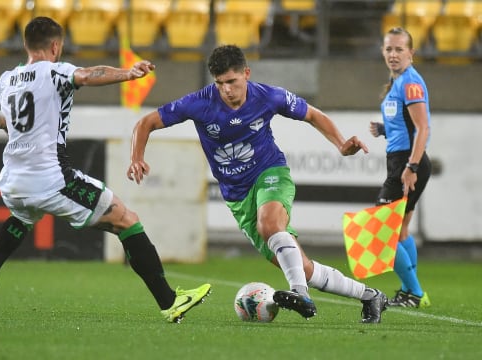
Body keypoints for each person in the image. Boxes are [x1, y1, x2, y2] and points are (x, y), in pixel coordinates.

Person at [0, 16, 211, 323]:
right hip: (51, 179)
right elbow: (88, 75)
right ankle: (170, 301)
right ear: (56, 46)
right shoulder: (55, 71)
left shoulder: (7, 79)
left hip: (13, 182)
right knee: (127, 221)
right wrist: (128, 74)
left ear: (27, 45)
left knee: (22, 217)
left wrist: (12, 127)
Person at [127, 44, 388, 323]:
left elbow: (312, 114)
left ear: (246, 74)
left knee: (270, 226)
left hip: (270, 172)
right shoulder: (199, 103)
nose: (226, 89)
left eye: (232, 81)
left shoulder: (268, 96)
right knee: (303, 267)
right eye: (220, 83)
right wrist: (136, 157)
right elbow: (146, 123)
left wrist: (341, 145)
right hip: (238, 197)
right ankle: (370, 296)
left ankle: (300, 293)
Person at [369, 27, 431, 308]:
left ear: (411, 53)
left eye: (399, 49)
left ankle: (415, 292)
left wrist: (412, 166)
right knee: (401, 229)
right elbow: (405, 124)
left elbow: (422, 128)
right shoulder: (398, 82)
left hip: (406, 164)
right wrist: (383, 129)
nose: (393, 54)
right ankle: (410, 293)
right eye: (389, 49)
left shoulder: (410, 83)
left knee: (382, 232)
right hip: (402, 160)